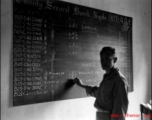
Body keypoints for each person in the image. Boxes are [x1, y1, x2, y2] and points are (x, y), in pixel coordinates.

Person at [74, 46, 129, 120]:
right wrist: (82, 85)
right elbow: (100, 93)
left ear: (115, 60)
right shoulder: (107, 77)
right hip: (100, 117)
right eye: (102, 59)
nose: (104, 62)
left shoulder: (119, 80)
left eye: (107, 59)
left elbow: (120, 111)